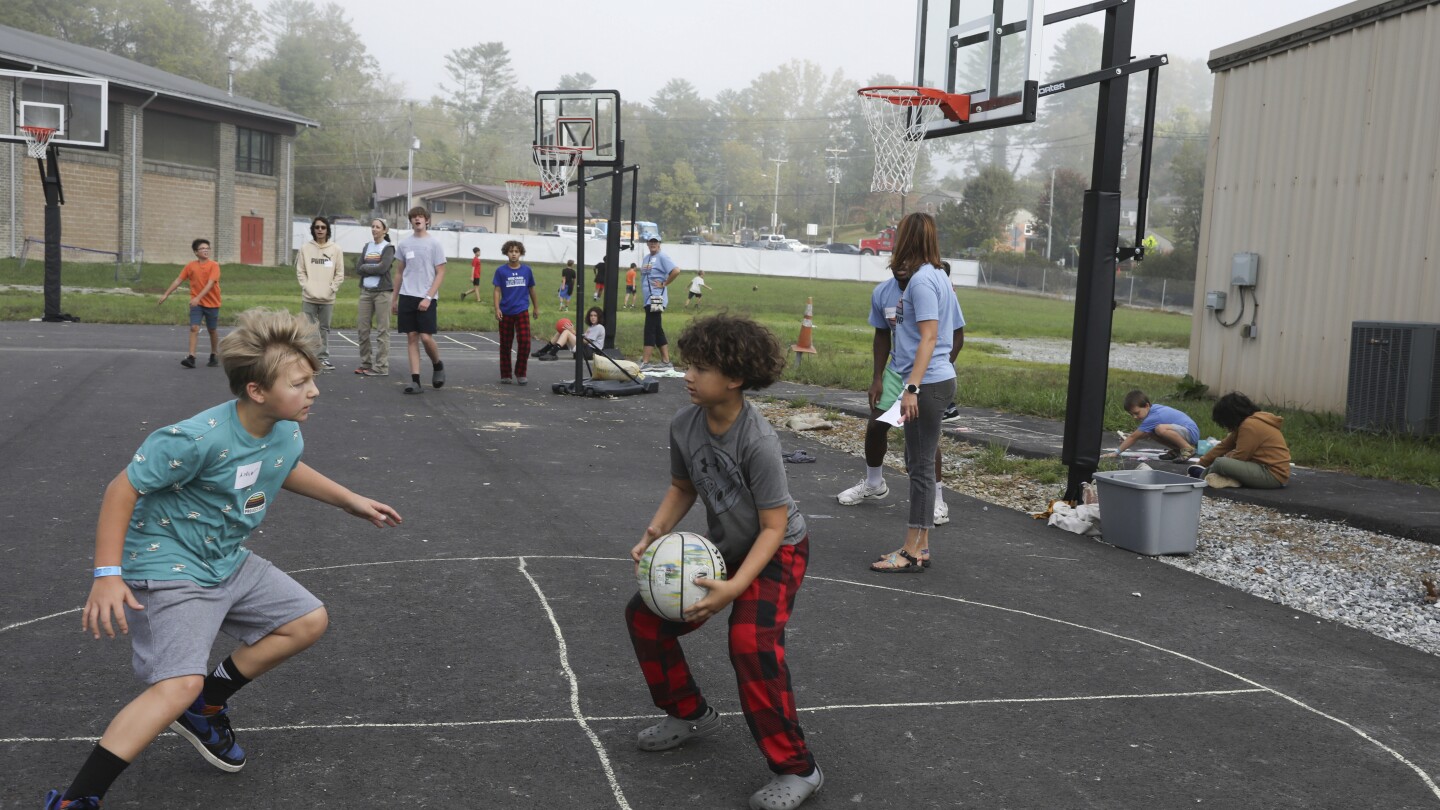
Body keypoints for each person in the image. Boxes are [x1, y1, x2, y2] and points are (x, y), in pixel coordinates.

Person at [41, 308, 401, 810]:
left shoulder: (284, 429)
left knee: (306, 620)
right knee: (175, 685)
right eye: (299, 383)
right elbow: (120, 489)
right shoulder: (195, 439)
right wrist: (106, 575)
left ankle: (206, 706)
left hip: (224, 559)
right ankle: (76, 801)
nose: (313, 391)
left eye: (312, 379)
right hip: (169, 566)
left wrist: (349, 500)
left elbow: (281, 466)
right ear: (257, 391)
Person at [625, 313, 823, 810]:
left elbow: (775, 527)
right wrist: (655, 532)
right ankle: (687, 712)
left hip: (779, 550)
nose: (688, 375)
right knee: (644, 617)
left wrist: (733, 591)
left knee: (750, 642)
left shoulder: (757, 441)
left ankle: (799, 769)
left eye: (701, 367)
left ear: (734, 378)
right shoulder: (684, 423)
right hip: (727, 549)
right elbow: (682, 486)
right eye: (688, 364)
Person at [838, 251, 965, 538]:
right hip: (897, 372)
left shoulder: (933, 285)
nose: (902, 268)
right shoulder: (883, 292)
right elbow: (882, 334)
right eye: (897, 263)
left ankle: (937, 499)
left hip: (928, 374)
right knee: (876, 425)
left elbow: (956, 335)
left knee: (923, 438)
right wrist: (876, 379)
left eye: (908, 262)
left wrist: (938, 371)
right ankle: (874, 484)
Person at [869, 213, 958, 573]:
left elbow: (930, 338)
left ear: (907, 239)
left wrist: (910, 388)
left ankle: (909, 551)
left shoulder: (922, 282)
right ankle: (920, 546)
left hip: (929, 382)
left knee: (919, 468)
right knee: (917, 464)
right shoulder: (937, 276)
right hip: (934, 380)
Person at [391, 206, 447, 395]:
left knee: (425, 337)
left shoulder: (434, 244)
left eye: (420, 217)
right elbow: (399, 272)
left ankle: (437, 364)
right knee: (412, 336)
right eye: (414, 217)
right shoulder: (405, 244)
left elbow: (440, 272)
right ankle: (415, 380)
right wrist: (395, 299)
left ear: (427, 220)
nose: (417, 219)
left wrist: (429, 297)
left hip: (426, 296)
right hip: (407, 295)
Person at [1190, 392, 1291, 489]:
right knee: (1223, 461)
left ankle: (1201, 476)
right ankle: (1227, 479)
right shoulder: (1250, 422)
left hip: (1272, 475)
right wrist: (1201, 463)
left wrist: (1204, 466)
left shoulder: (1249, 425)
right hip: (1270, 472)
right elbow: (1224, 446)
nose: (1226, 426)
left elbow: (1240, 457)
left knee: (1220, 463)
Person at [158, 238, 222, 369]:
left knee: (212, 330)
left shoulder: (214, 265)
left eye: (207, 248)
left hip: (212, 303)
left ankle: (214, 354)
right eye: (202, 248)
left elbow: (210, 284)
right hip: (196, 303)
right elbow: (178, 280)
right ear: (195, 252)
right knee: (194, 327)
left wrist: (198, 297)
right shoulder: (190, 266)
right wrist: (166, 294)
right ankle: (191, 357)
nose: (205, 250)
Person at [295, 216, 345, 371]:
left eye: (323, 227)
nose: (320, 230)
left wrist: (332, 288)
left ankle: (323, 358)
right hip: (309, 297)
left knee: (324, 329)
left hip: (327, 298)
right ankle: (307, 359)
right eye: (317, 227)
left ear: (327, 230)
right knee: (307, 329)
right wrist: (307, 287)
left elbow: (340, 273)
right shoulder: (305, 248)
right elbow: (300, 271)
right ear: (313, 230)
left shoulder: (335, 249)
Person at [492, 240, 540, 385]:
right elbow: (497, 290)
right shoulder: (501, 271)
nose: (514, 254)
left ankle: (521, 372)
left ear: (520, 253)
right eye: (511, 251)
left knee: (525, 342)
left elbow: (531, 289)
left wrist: (536, 307)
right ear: (506, 253)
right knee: (506, 343)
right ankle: (506, 374)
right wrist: (497, 308)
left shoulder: (527, 270)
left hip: (522, 310)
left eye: (516, 251)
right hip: (506, 311)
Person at [1105, 390, 1200, 461]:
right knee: (1151, 433)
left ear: (1146, 406)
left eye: (1137, 413)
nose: (1134, 417)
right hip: (1185, 431)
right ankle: (1178, 450)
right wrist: (1130, 437)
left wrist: (1116, 452)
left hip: (1190, 432)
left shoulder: (1153, 417)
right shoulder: (1152, 409)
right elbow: (1141, 435)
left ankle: (1187, 449)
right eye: (1131, 414)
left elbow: (1134, 437)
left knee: (1160, 429)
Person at [353, 218, 395, 377]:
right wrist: (371, 268)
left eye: (378, 227)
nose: (374, 229)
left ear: (385, 230)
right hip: (366, 292)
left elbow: (383, 268)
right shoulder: (367, 246)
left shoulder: (388, 248)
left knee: (382, 330)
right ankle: (365, 363)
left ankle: (381, 366)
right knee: (362, 329)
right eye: (373, 226)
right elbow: (358, 268)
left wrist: (366, 267)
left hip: (383, 292)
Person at [638, 236, 681, 371]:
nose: (653, 244)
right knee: (657, 328)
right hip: (648, 299)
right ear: (647, 244)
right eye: (651, 242)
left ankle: (645, 362)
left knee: (650, 328)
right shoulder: (646, 258)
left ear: (659, 243)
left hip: (656, 298)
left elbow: (676, 270)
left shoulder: (662, 257)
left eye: (655, 242)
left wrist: (664, 283)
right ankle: (666, 361)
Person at [534, 306, 604, 361]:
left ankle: (552, 353)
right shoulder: (592, 327)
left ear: (599, 317)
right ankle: (544, 351)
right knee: (562, 330)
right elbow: (583, 339)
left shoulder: (599, 327)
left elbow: (586, 341)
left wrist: (573, 332)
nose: (593, 317)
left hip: (591, 353)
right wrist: (572, 332)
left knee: (567, 332)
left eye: (595, 316)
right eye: (591, 316)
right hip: (585, 350)